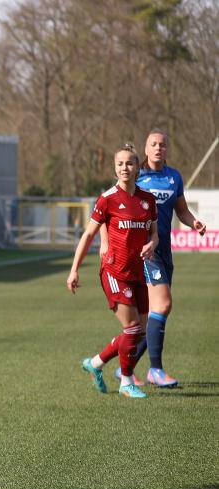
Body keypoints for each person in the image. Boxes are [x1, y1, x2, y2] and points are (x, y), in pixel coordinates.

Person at [99, 130, 207, 388]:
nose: (158, 148)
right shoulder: (136, 176)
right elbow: (107, 208)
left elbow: (181, 211)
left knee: (151, 316)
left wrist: (195, 223)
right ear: (145, 150)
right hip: (144, 253)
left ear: (167, 149)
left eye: (163, 145)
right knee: (164, 304)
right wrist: (105, 242)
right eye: (153, 144)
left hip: (164, 250)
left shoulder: (174, 177)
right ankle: (155, 370)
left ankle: (121, 366)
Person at [69, 143, 158, 398]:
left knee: (139, 331)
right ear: (115, 168)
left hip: (138, 271)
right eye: (120, 163)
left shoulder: (147, 200)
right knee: (131, 329)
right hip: (114, 271)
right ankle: (126, 382)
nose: (124, 168)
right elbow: (88, 235)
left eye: (129, 163)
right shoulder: (107, 199)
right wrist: (74, 270)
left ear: (137, 167)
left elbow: (155, 234)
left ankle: (95, 363)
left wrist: (152, 244)